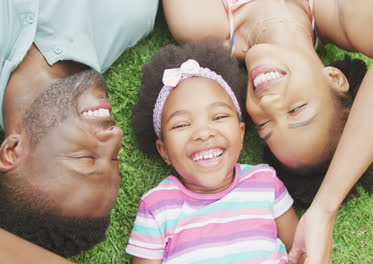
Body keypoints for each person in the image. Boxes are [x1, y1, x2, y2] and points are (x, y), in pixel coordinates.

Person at [162, 0, 373, 263]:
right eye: (297, 110)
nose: (267, 103)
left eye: (264, 125)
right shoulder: (335, 11)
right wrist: (325, 208)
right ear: (335, 79)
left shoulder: (200, 22)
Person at [0, 0, 158, 260]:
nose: (115, 137)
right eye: (114, 159)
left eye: (85, 157)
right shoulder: (132, 15)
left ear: (12, 151)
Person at [126, 41, 301, 263]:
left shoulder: (265, 182)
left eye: (218, 117)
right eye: (181, 124)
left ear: (241, 133)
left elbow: (300, 251)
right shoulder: (157, 207)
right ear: (164, 151)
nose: (203, 132)